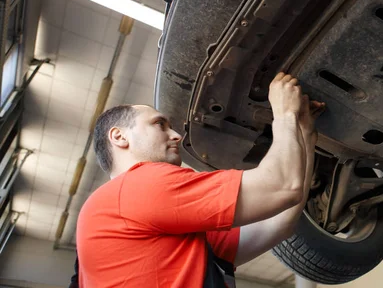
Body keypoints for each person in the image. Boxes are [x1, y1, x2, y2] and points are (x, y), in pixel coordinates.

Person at [75, 72, 325, 287]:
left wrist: (304, 133)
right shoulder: (136, 187)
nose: (175, 135)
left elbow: (277, 223)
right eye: (159, 124)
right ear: (119, 136)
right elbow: (281, 188)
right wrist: (284, 113)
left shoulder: (143, 215)